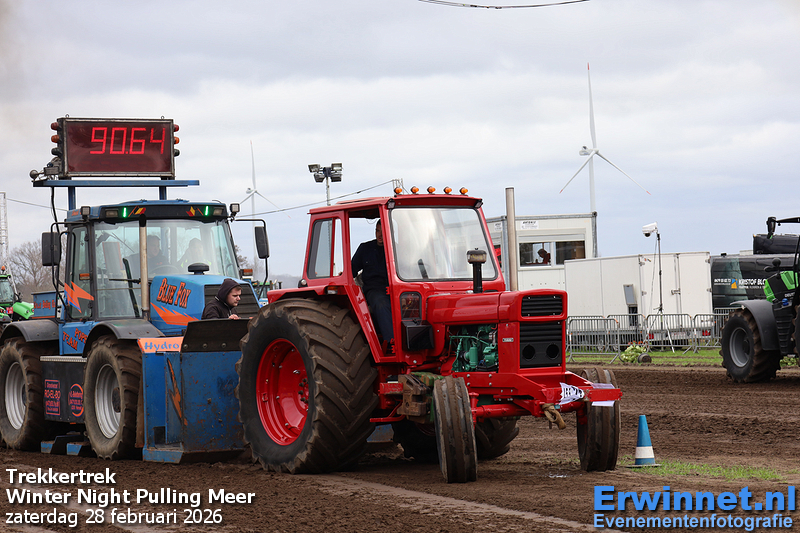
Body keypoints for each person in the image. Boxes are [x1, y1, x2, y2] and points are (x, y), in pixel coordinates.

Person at [351, 220, 393, 345]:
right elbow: (351, 270)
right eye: (377, 231)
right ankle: (392, 343)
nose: (379, 235)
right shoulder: (365, 249)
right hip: (373, 289)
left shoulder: (395, 249)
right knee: (381, 303)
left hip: (395, 289)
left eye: (383, 231)